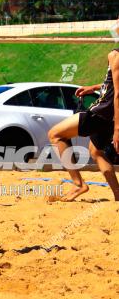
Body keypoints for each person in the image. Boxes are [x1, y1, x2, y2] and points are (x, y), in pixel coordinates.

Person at [48, 44, 119, 201]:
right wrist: (92, 88)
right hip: (109, 115)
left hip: (101, 112)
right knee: (96, 152)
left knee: (55, 135)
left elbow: (118, 93)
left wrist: (117, 129)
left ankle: (78, 184)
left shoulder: (115, 55)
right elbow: (113, 85)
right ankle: (118, 195)